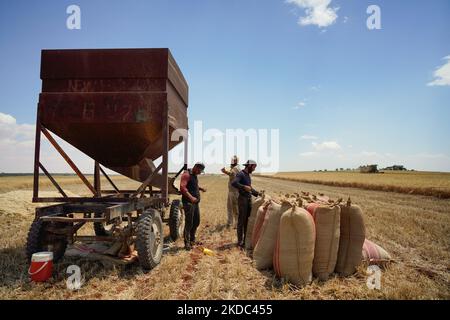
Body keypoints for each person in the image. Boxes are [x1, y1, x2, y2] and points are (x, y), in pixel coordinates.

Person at [231, 160, 260, 248]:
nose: (254, 169)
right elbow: (234, 183)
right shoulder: (241, 174)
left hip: (248, 199)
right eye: (254, 167)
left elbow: (250, 188)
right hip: (242, 200)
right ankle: (239, 241)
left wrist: (258, 194)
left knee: (247, 220)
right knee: (241, 221)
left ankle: (245, 240)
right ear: (250, 166)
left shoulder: (247, 175)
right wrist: (243, 187)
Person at [180, 162, 207, 251]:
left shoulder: (194, 175)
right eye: (199, 170)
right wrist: (191, 197)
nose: (200, 172)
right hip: (188, 203)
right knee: (189, 223)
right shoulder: (186, 174)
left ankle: (192, 240)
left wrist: (200, 188)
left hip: (195, 203)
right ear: (195, 167)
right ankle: (187, 243)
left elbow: (192, 185)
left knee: (196, 221)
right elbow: (183, 187)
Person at [221, 156, 241, 228]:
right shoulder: (235, 168)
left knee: (234, 207)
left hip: (234, 191)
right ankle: (231, 222)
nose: (232, 161)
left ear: (236, 161)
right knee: (231, 207)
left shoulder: (235, 168)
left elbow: (231, 174)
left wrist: (224, 171)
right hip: (232, 190)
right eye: (232, 160)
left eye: (233, 160)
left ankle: (235, 223)